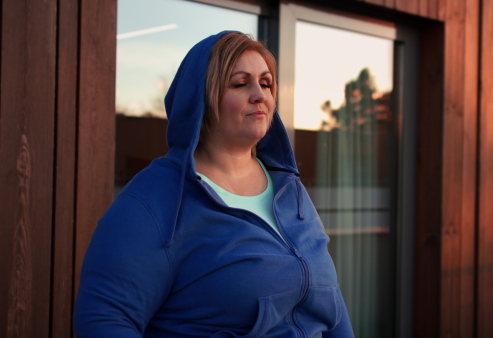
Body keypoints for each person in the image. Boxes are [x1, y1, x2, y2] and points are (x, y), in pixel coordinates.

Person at [73, 31, 353, 337]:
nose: (259, 94)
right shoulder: (155, 201)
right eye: (240, 83)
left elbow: (330, 302)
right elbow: (103, 318)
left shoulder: (290, 189)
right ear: (202, 99)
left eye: (266, 83)